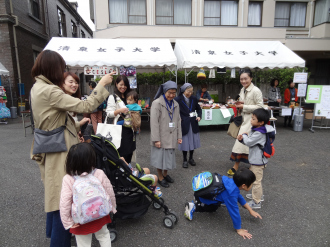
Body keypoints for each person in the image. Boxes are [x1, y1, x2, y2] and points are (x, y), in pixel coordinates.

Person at [30, 50, 114, 247]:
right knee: (64, 198)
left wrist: (76, 125)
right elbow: (86, 105)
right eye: (61, 68)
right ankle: (60, 241)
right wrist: (101, 85)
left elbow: (51, 122)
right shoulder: (50, 91)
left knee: (55, 194)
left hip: (51, 146)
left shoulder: (39, 86)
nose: (62, 72)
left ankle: (55, 235)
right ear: (53, 68)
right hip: (59, 151)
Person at [60, 143, 116, 247]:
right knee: (104, 235)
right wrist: (112, 206)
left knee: (83, 243)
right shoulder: (98, 173)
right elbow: (109, 191)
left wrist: (68, 222)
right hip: (100, 213)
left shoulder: (68, 178)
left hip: (81, 218)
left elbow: (65, 203)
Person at [184, 167, 262, 239]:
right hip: (203, 198)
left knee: (224, 200)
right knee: (213, 209)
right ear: (244, 186)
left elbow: (239, 197)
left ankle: (204, 202)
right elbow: (234, 212)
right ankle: (194, 206)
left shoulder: (231, 183)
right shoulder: (231, 195)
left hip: (204, 193)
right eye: (252, 184)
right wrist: (239, 229)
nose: (252, 185)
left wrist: (250, 210)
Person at [227, 69, 264, 176]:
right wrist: (240, 103)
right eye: (241, 79)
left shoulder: (256, 90)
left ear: (251, 78)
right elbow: (246, 101)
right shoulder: (243, 89)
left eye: (245, 79)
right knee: (241, 143)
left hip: (253, 122)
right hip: (243, 119)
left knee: (249, 144)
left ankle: (249, 166)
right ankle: (237, 166)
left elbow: (260, 107)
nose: (243, 81)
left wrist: (244, 106)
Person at [237, 108, 275, 209]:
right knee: (255, 179)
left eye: (253, 119)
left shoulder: (259, 133)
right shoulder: (258, 129)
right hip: (257, 159)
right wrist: (243, 140)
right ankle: (257, 195)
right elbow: (251, 142)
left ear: (261, 122)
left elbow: (249, 142)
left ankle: (256, 201)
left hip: (258, 161)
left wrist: (244, 136)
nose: (251, 120)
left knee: (257, 181)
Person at [150, 81, 182, 188]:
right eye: (169, 92)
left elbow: (178, 121)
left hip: (172, 135)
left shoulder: (176, 104)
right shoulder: (157, 103)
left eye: (174, 93)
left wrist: (179, 136)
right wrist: (156, 139)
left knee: (169, 157)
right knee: (160, 157)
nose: (172, 95)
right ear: (164, 91)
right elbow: (154, 123)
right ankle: (160, 177)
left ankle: (165, 174)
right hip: (161, 136)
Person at [106, 75, 135, 163]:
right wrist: (119, 110)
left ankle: (128, 173)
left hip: (130, 129)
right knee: (121, 154)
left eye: (125, 85)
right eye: (121, 84)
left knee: (129, 153)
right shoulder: (113, 97)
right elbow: (109, 114)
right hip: (119, 130)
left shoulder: (129, 96)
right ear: (116, 84)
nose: (123, 87)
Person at [174, 83, 202, 168]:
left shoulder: (194, 98)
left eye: (191, 91)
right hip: (184, 123)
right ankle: (185, 160)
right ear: (183, 90)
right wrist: (178, 118)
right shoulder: (177, 99)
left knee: (192, 141)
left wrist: (199, 116)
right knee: (185, 142)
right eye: (188, 91)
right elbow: (174, 111)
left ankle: (191, 158)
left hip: (193, 122)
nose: (190, 93)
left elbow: (199, 109)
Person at [62, 72, 91, 139]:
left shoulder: (73, 99)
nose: (74, 85)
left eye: (76, 83)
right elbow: (66, 125)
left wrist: (78, 132)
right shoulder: (62, 100)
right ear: (62, 83)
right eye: (71, 82)